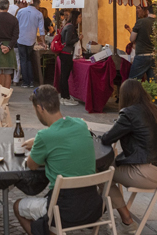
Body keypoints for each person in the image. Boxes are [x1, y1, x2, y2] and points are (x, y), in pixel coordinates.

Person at [14, 85, 101, 235]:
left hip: (63, 211)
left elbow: (31, 165)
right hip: (92, 206)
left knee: (17, 206)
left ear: (40, 108)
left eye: (35, 109)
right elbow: (63, 137)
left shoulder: (45, 136)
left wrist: (38, 144)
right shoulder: (81, 125)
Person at [100, 80, 157, 232]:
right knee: (108, 168)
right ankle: (103, 209)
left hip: (144, 173)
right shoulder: (155, 109)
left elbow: (106, 139)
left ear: (125, 96)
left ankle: (127, 221)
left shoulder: (129, 113)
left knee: (101, 172)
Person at [16, 0, 45, 89]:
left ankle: (25, 81)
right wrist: (43, 42)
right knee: (29, 60)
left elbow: (16, 24)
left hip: (20, 38)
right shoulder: (39, 14)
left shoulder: (21, 11)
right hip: (31, 39)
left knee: (23, 60)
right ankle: (31, 81)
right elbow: (41, 29)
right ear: (37, 5)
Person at [56, 10, 80, 106]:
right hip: (66, 53)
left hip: (64, 53)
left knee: (64, 76)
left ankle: (65, 96)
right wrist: (78, 38)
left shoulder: (68, 25)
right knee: (64, 76)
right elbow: (68, 41)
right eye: (79, 17)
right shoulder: (70, 27)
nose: (80, 19)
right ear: (75, 17)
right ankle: (64, 97)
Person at [127, 2, 156, 80]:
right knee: (153, 83)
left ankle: (131, 92)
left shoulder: (141, 22)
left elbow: (132, 39)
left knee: (132, 81)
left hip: (142, 55)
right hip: (155, 56)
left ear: (147, 11)